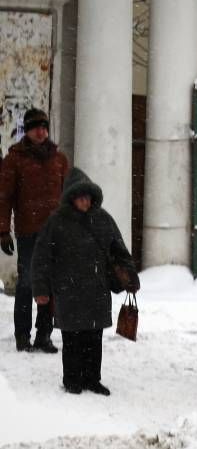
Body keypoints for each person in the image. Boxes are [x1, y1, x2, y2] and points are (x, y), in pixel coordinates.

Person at [31, 168, 136, 395]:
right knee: (72, 338)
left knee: (94, 336)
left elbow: (119, 250)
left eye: (87, 197)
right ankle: (72, 380)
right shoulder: (56, 221)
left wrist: (130, 276)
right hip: (67, 290)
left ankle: (92, 379)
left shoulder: (103, 219)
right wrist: (41, 289)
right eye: (80, 197)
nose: (85, 201)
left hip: (96, 290)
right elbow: (41, 257)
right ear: (71, 198)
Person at [0, 107, 71, 353]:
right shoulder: (14, 160)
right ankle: (22, 335)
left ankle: (44, 335)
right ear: (27, 130)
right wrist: (2, 230)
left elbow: (69, 196)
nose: (41, 132)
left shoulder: (59, 159)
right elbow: (4, 197)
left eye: (44, 127)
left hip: (55, 232)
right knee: (27, 282)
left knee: (50, 283)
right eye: (36, 127)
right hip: (28, 232)